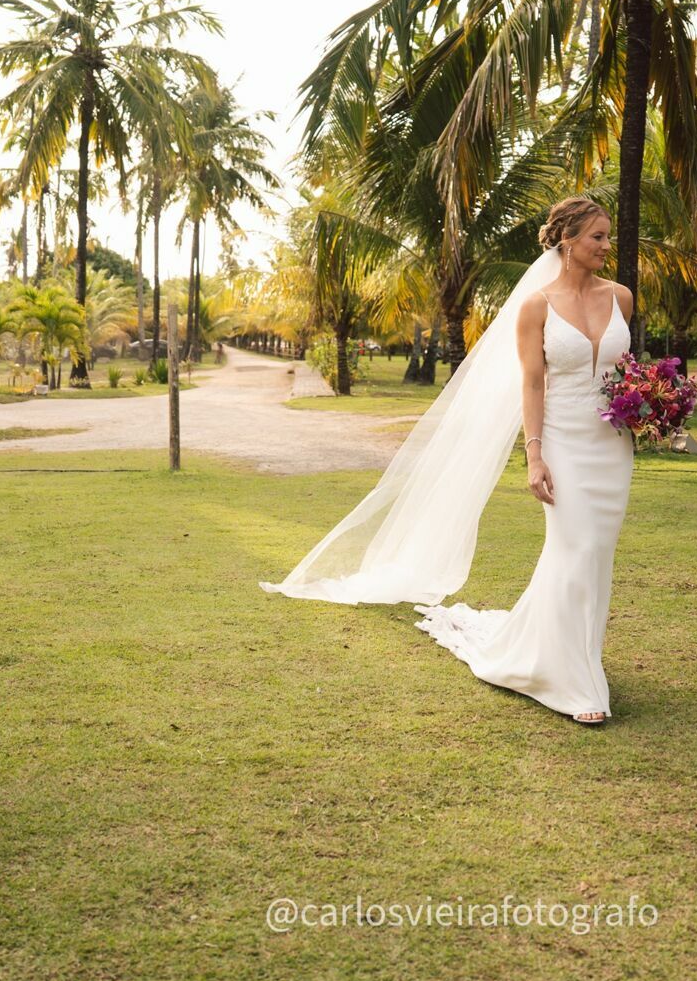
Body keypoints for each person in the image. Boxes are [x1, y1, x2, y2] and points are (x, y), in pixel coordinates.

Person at [261, 197, 635, 725]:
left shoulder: (621, 297)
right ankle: (571, 679)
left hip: (611, 445)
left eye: (607, 235)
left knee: (597, 553)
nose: (606, 246)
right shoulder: (536, 306)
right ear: (567, 240)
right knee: (574, 547)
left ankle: (577, 654)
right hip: (563, 442)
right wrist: (534, 455)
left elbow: (626, 373)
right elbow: (532, 384)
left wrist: (654, 407)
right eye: (597, 236)